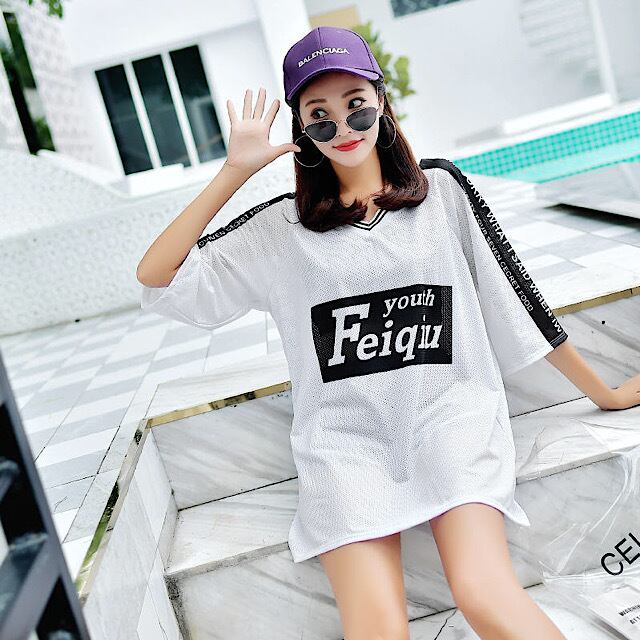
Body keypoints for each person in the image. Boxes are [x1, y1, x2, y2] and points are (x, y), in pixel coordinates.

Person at [136, 25, 640, 640]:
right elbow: (157, 277)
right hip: (344, 447)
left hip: (451, 421)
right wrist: (233, 172)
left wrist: (604, 393)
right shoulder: (280, 231)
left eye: (355, 107)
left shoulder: (443, 194)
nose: (343, 129)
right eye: (319, 118)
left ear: (381, 102)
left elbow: (517, 298)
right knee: (377, 630)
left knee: (484, 596)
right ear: (302, 130)